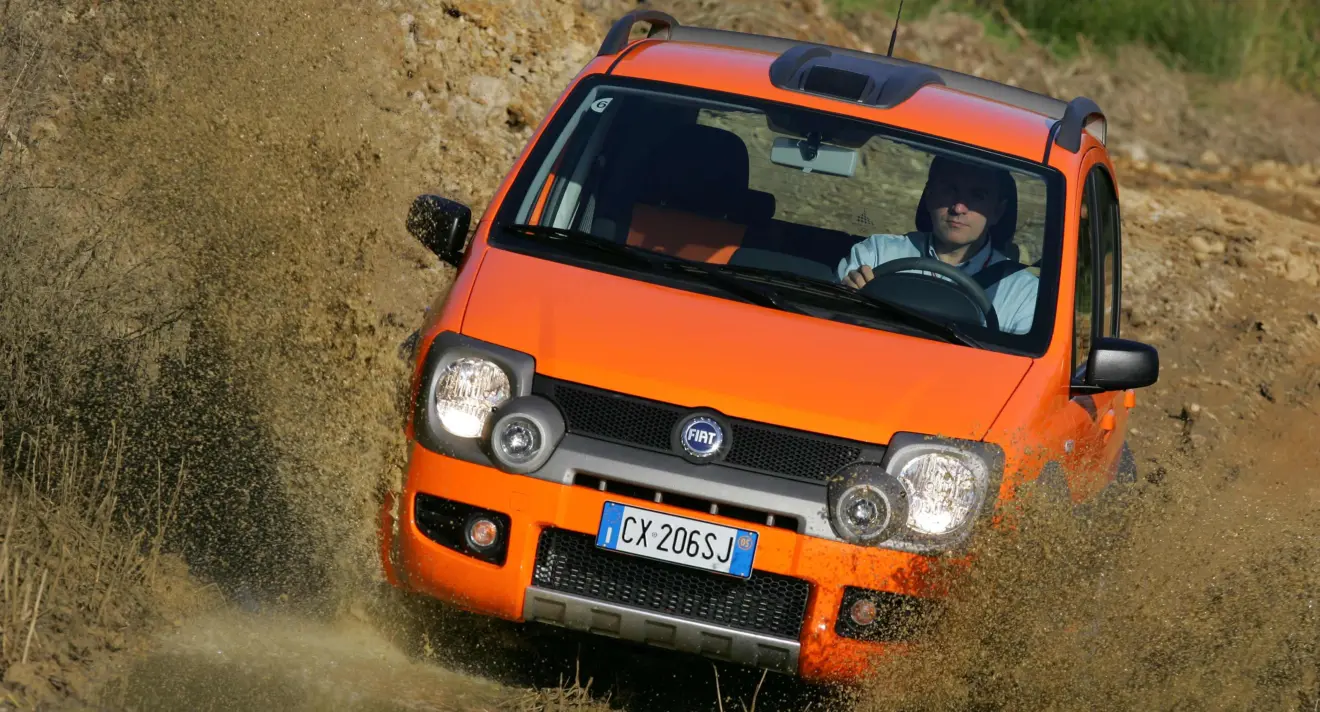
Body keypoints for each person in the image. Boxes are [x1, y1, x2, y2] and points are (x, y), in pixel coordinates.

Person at [836, 155, 1040, 335]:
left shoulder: (1023, 293)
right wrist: (846, 299)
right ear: (929, 195)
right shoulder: (877, 254)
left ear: (997, 211)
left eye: (978, 195)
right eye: (950, 190)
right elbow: (835, 329)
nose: (959, 207)